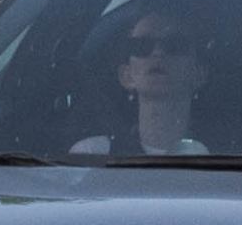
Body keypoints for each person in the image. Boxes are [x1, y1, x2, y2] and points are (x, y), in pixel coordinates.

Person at [70, 9, 211, 155]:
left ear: (199, 73)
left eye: (174, 45)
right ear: (126, 75)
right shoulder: (92, 155)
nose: (158, 52)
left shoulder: (229, 156)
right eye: (142, 45)